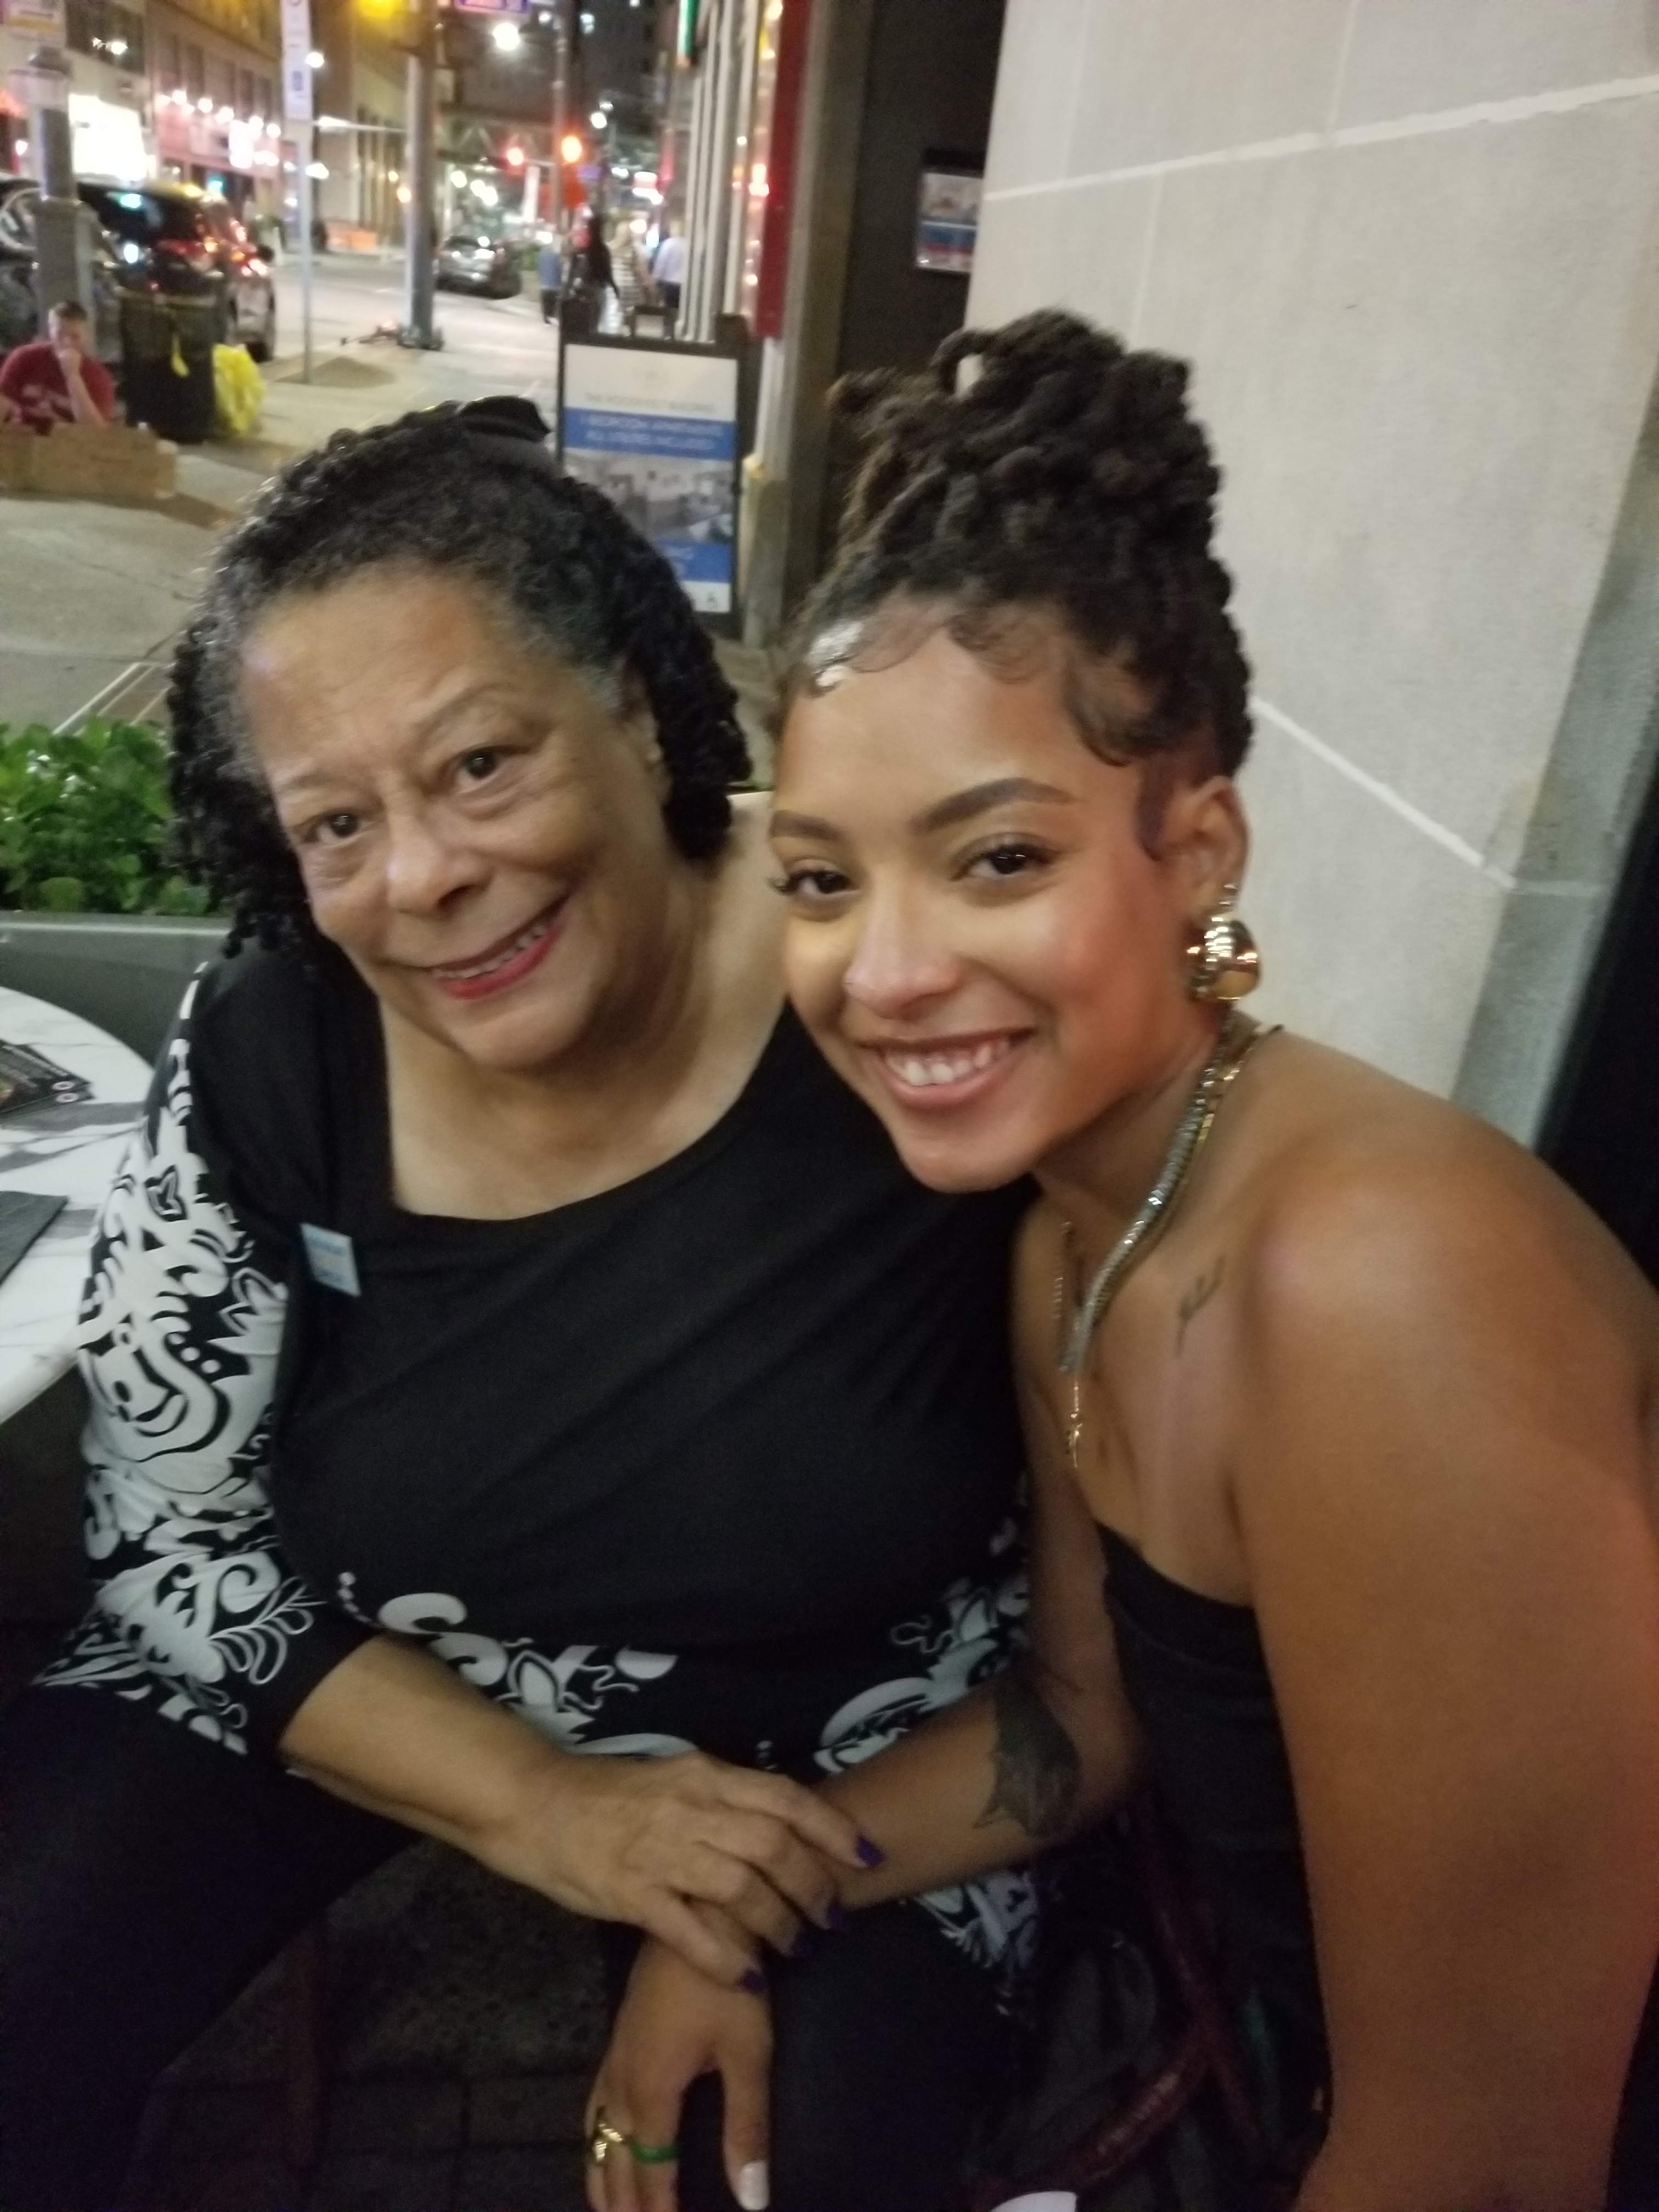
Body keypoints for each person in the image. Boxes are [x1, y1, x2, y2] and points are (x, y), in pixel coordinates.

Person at [587, 313, 1659, 2212]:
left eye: (996, 860)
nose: (884, 969)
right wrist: (733, 1903)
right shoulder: (1072, 1236)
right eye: (823, 878)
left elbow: (1488, 2156)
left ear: (1201, 850)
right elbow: (1088, 1724)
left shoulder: (1378, 1290)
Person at [0, 396, 1035, 2212]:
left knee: (775, 2167)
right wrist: (541, 1803)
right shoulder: (280, 1038)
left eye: (480, 763)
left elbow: (1092, 1643)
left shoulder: (887, 983)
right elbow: (172, 1545)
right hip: (366, 1674)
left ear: (633, 706)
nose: (420, 876)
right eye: (336, 822)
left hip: (847, 1742)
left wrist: (743, 1897)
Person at [0, 300, 113, 433]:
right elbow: (3, 402)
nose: (67, 342)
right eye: (60, 334)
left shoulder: (97, 376)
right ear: (50, 331)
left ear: (86, 336)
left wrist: (73, 376)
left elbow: (96, 433)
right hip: (25, 437)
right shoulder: (24, 358)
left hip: (68, 442)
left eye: (75, 337)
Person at [653, 227, 686, 336]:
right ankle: (680, 332)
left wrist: (656, 279)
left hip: (670, 283)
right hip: (685, 283)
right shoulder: (688, 244)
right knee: (683, 310)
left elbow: (661, 263)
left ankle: (668, 333)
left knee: (669, 310)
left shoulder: (668, 244)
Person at [538, 230, 563, 321]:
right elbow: (559, 269)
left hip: (545, 283)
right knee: (553, 301)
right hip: (554, 284)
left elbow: (540, 267)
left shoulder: (543, 254)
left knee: (546, 301)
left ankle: (546, 317)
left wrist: (541, 278)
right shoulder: (556, 256)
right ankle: (551, 316)